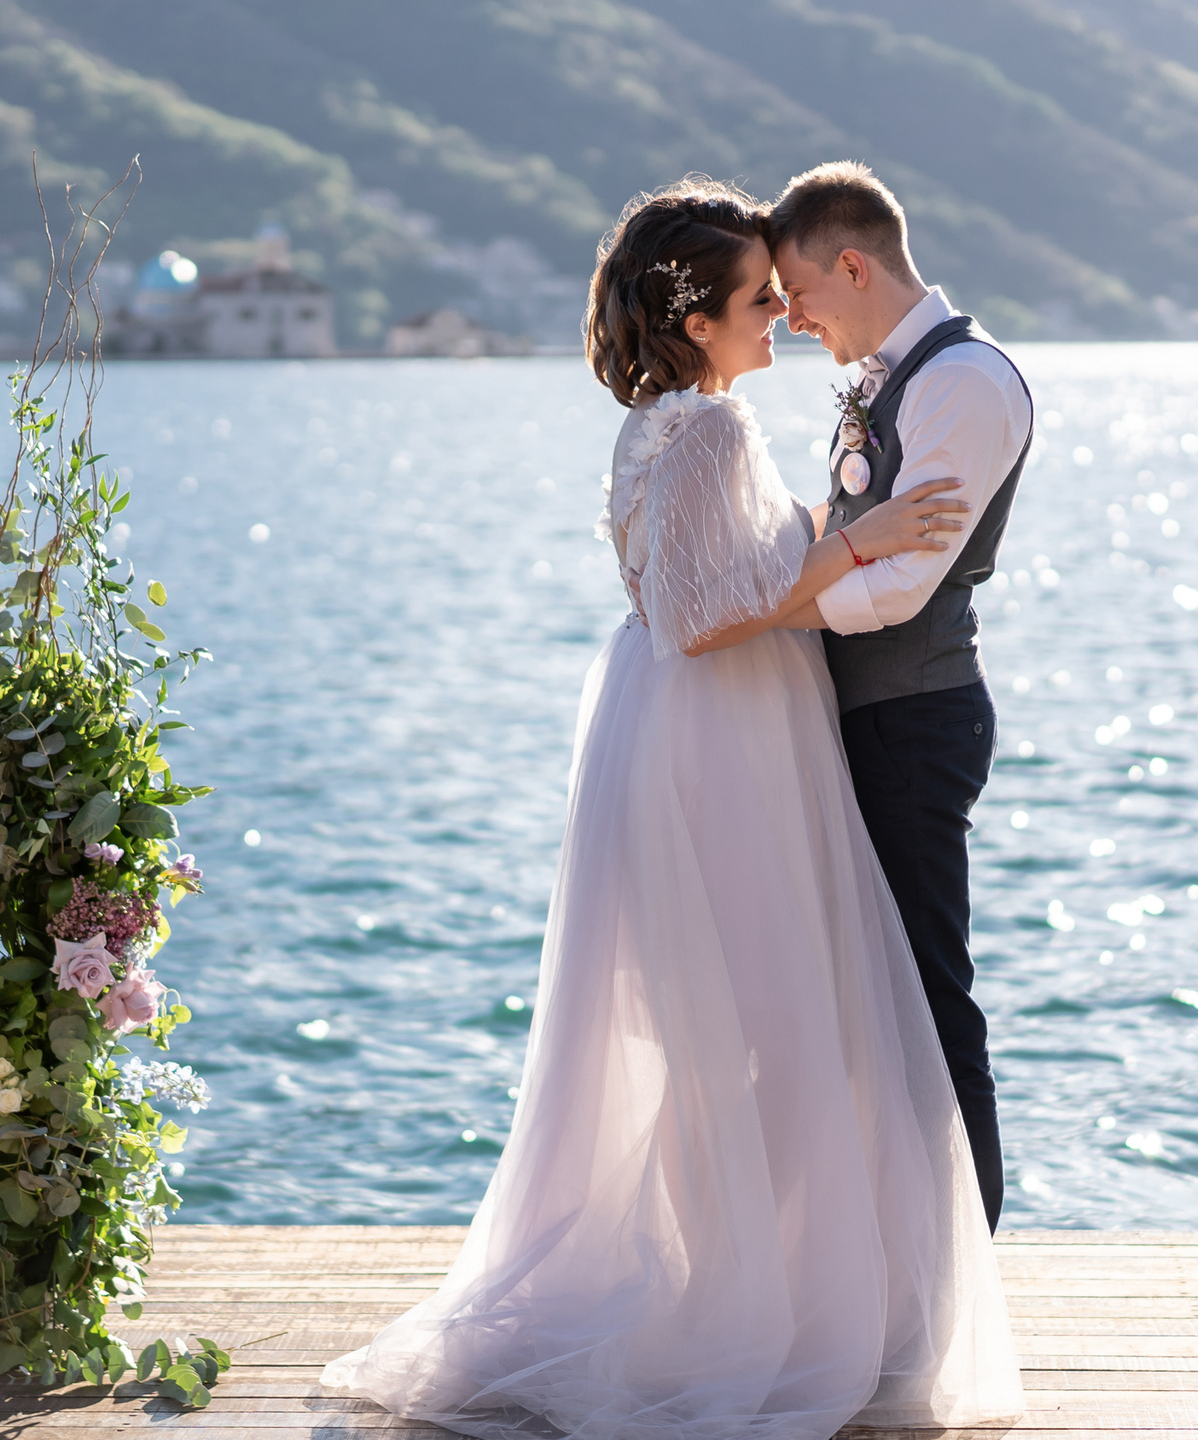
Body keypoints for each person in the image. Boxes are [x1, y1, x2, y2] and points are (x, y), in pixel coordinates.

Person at [320, 178, 1024, 1440]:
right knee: (768, 1017)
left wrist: (829, 532)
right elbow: (710, 615)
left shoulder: (669, 424)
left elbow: (718, 574)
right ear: (699, 321)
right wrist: (858, 546)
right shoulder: (706, 431)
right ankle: (772, 1301)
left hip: (689, 731)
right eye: (763, 300)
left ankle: (761, 1281)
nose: (780, 320)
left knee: (737, 1026)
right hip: (724, 738)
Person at [764, 161, 1034, 1231]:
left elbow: (901, 580)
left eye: (797, 293)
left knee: (928, 1000)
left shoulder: (963, 380)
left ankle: (965, 1260)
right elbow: (851, 536)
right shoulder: (894, 372)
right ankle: (883, 1249)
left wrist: (766, 607)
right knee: (868, 1000)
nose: (789, 319)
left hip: (916, 720)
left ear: (851, 263)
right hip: (869, 717)